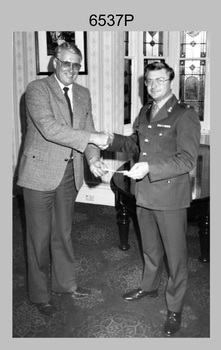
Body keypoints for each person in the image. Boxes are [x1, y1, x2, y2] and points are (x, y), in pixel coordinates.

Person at [105, 61, 201, 336]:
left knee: (176, 256)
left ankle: (175, 306)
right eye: (149, 81)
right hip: (144, 193)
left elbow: (186, 160)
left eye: (159, 80)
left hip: (170, 196)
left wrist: (150, 168)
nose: (153, 85)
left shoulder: (184, 115)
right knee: (150, 248)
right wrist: (109, 140)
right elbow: (136, 143)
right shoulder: (146, 111)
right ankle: (149, 286)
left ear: (171, 82)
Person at [17, 42, 110, 317]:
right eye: (65, 63)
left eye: (76, 64)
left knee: (64, 234)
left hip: (69, 174)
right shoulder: (37, 89)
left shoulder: (83, 93)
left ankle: (65, 284)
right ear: (54, 63)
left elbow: (87, 129)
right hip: (38, 174)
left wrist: (92, 158)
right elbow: (49, 129)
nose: (71, 69)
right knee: (38, 238)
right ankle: (39, 295)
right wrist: (93, 139)